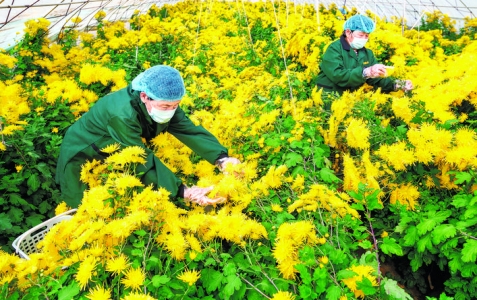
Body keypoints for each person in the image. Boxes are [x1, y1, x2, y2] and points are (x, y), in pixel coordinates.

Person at [56, 65, 240, 208]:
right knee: (83, 204)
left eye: (176, 105)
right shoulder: (122, 114)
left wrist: (222, 158)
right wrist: (182, 190)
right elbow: (140, 158)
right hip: (84, 149)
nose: (171, 111)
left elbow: (189, 130)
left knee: (119, 195)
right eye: (165, 107)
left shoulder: (163, 102)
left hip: (117, 149)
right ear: (144, 96)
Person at [314, 14, 413, 111]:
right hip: (330, 98)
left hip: (351, 101)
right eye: (361, 35)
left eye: (366, 36)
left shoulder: (367, 53)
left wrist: (398, 84)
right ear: (348, 32)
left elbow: (376, 79)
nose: (364, 39)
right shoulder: (334, 49)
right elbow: (337, 75)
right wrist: (366, 72)